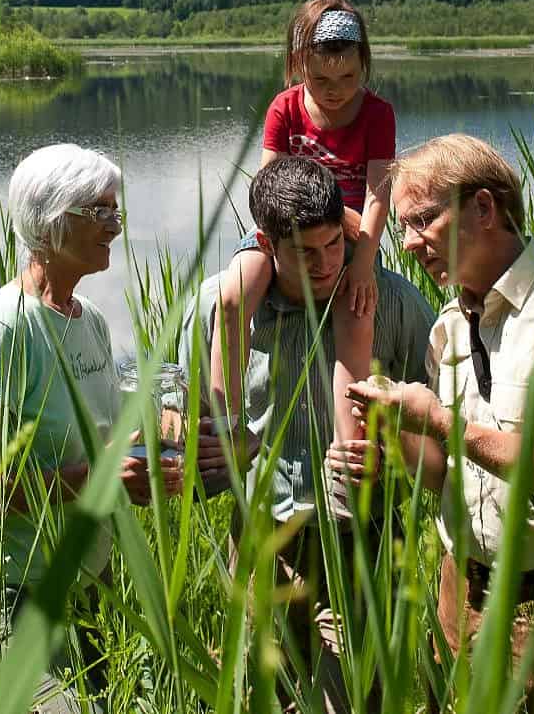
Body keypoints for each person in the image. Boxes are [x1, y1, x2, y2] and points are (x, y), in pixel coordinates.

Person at [340, 134, 534, 706]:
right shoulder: (449, 323)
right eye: (401, 226)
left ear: (483, 207)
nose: (406, 243)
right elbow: (441, 473)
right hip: (461, 589)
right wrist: (396, 428)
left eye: (421, 220)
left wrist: (442, 421)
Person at [0, 144, 187, 714]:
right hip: (7, 595)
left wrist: (143, 463)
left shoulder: (87, 320)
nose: (115, 228)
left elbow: (98, 445)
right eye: (99, 212)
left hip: (83, 585)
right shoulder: (1, 327)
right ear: (52, 219)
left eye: (115, 212)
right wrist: (90, 481)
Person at [185, 155, 436, 714]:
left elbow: (440, 420)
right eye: (306, 253)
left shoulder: (390, 302)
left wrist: (392, 455)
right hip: (261, 536)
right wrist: (221, 450)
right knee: (263, 693)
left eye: (333, 246)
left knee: (352, 696)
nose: (327, 265)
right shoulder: (218, 308)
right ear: (265, 243)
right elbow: (193, 422)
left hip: (361, 536)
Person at [211, 0, 396, 450]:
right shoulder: (285, 107)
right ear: (298, 65)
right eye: (320, 79)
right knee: (233, 296)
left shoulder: (377, 114)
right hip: (286, 225)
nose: (335, 89)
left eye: (348, 77)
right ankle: (229, 428)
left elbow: (379, 194)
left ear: (364, 63)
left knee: (355, 312)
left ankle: (349, 448)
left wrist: (364, 262)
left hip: (351, 238)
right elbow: (266, 185)